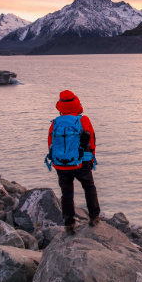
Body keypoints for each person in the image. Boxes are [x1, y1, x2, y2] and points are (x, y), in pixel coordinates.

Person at [47, 90, 100, 234]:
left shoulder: (55, 123)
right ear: (76, 103)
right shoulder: (83, 120)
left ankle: (69, 224)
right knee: (89, 187)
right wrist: (90, 160)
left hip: (60, 164)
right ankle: (94, 216)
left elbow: (51, 144)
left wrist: (57, 162)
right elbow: (92, 142)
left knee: (66, 193)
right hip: (80, 163)